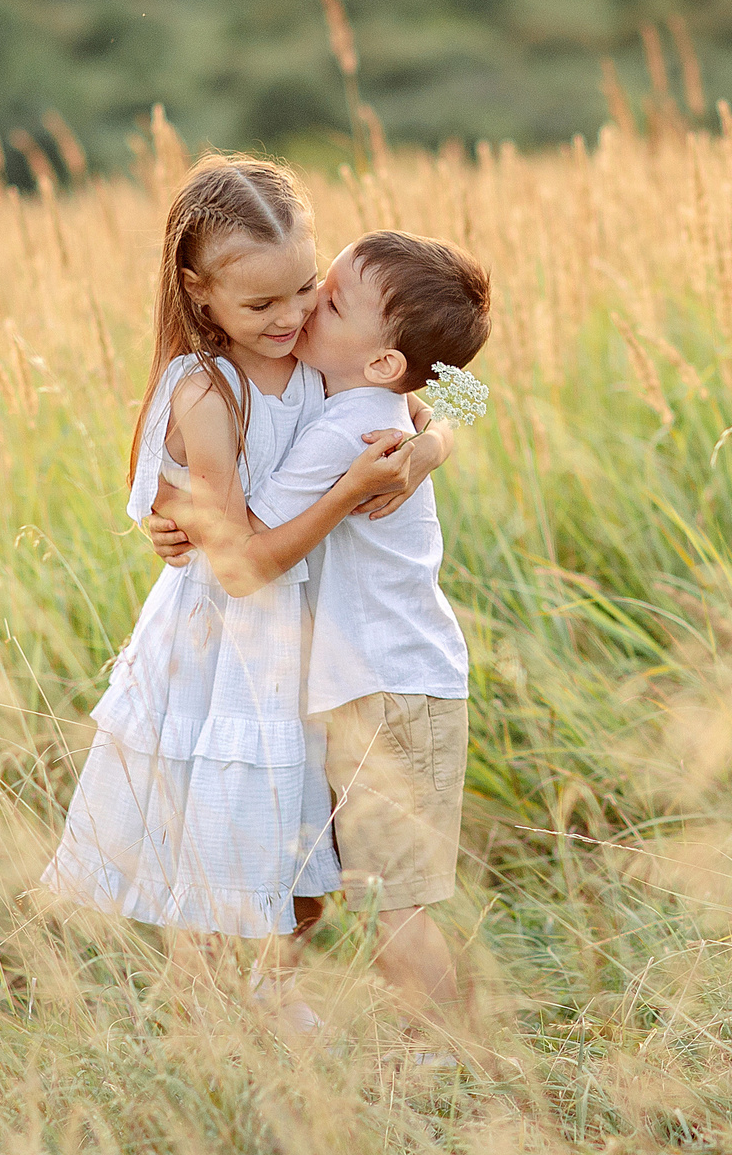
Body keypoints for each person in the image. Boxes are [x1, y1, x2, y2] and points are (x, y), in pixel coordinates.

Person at [40, 158, 452, 1024]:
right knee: (225, 841)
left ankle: (265, 996)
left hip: (303, 646)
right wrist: (338, 495)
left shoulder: (316, 361)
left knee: (293, 843)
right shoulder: (206, 388)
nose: (293, 315)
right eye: (262, 304)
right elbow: (236, 560)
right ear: (200, 294)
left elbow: (436, 385)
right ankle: (203, 1012)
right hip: (226, 644)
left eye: (308, 288)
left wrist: (430, 444)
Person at [150, 229, 492, 1053]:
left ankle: (453, 1054)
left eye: (327, 299)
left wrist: (172, 502)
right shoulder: (360, 396)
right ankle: (288, 1006)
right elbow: (456, 396)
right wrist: (435, 441)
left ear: (381, 360)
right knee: (334, 872)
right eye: (314, 284)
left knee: (392, 901)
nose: (305, 307)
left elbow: (249, 540)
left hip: (387, 692)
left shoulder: (347, 431)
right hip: (383, 684)